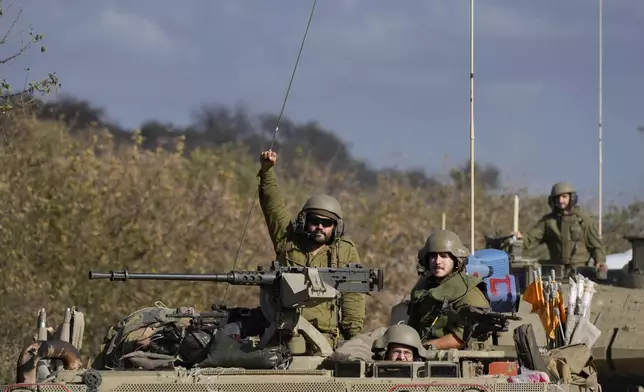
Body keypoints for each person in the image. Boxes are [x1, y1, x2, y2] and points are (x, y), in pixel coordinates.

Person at [257, 150, 366, 349]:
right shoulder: (288, 240)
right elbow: (272, 206)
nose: (320, 227)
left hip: (325, 337)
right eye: (314, 221)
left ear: (336, 227)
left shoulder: (344, 251)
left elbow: (353, 295)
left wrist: (352, 337)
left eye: (326, 223)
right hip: (285, 333)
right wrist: (267, 171)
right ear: (304, 221)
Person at [407, 229, 491, 350]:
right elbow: (413, 325)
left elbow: (463, 338)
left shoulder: (469, 291)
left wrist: (422, 347)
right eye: (433, 256)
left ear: (456, 260)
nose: (437, 261)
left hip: (461, 357)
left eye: (444, 256)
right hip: (422, 353)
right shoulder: (422, 289)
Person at [512, 181, 606, 277]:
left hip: (579, 273)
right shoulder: (548, 222)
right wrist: (520, 239)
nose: (561, 201)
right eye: (558, 197)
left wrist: (600, 261)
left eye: (564, 197)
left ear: (572, 198)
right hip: (555, 273)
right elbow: (531, 238)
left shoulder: (585, 221)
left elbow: (596, 246)